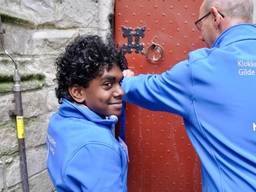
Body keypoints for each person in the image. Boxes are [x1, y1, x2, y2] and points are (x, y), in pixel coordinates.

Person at [122, 0, 256, 191]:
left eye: (200, 24)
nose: (201, 36)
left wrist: (122, 80)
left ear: (216, 16)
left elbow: (141, 89)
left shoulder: (202, 70)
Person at [47, 35, 128, 192]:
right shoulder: (98, 145)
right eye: (108, 84)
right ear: (78, 92)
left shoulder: (60, 120)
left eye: (120, 82)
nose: (121, 92)